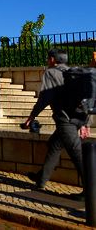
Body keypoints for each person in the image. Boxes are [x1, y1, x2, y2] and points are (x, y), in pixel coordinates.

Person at [23, 49, 88, 192]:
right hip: (78, 118)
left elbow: (45, 97)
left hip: (65, 120)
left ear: (52, 59)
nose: (47, 61)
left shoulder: (51, 73)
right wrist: (84, 123)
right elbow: (86, 99)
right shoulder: (75, 72)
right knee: (54, 144)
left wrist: (32, 115)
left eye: (48, 58)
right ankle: (41, 179)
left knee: (77, 155)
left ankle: (90, 190)